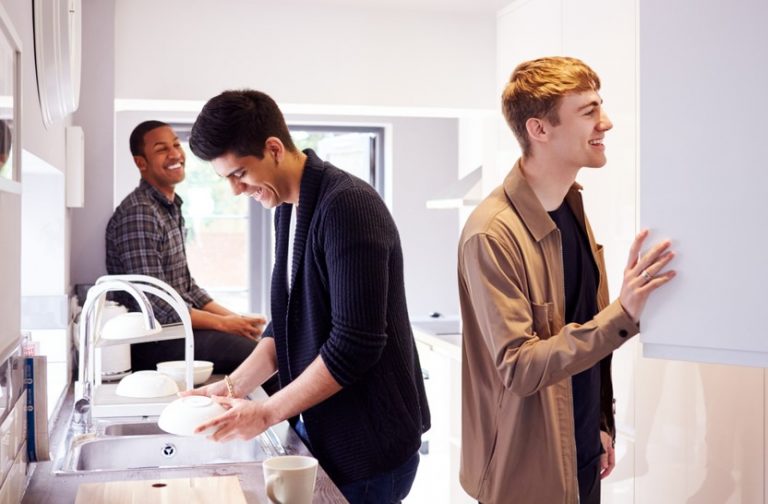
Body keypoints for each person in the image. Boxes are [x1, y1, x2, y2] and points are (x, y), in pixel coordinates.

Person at [185, 90, 430, 503]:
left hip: (368, 446)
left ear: (274, 149)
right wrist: (228, 389)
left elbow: (355, 345)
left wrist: (264, 412)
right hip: (325, 434)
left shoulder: (347, 205)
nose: (235, 190)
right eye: (226, 178)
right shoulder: (289, 208)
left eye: (240, 174)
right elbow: (287, 328)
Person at [458, 56, 676, 504]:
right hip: (523, 476)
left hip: (578, 452)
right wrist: (624, 313)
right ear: (540, 130)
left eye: (601, 107)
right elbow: (520, 366)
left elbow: (577, 321)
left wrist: (597, 420)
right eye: (589, 111)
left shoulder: (571, 206)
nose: (607, 123)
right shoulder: (491, 234)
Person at [105, 120, 266, 374]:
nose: (174, 154)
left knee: (263, 343)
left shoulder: (168, 207)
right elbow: (158, 306)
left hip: (177, 330)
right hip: (154, 342)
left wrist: (235, 319)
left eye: (176, 145)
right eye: (161, 149)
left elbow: (187, 287)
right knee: (260, 356)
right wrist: (225, 325)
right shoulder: (140, 213)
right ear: (141, 163)